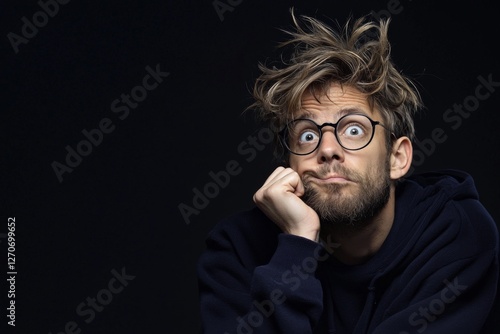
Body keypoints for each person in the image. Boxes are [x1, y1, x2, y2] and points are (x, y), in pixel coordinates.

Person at [197, 9, 499, 334]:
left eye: (353, 130)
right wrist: (298, 242)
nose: (327, 149)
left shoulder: (455, 236)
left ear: (397, 158)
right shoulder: (237, 249)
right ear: (290, 162)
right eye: (308, 135)